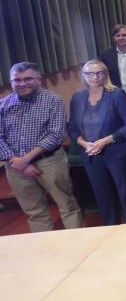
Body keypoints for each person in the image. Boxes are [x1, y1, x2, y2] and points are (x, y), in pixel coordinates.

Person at [0, 62, 83, 232]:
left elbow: (56, 135)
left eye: (28, 79)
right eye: (17, 80)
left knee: (67, 205)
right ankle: (45, 245)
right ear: (11, 81)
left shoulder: (53, 100)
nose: (22, 83)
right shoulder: (3, 105)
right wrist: (17, 161)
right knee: (34, 212)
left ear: (39, 79)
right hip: (15, 166)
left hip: (49, 162)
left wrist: (26, 159)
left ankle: (78, 243)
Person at [68, 60, 126, 225]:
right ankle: (111, 228)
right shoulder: (77, 98)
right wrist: (84, 144)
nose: (95, 77)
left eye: (99, 73)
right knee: (102, 195)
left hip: (117, 152)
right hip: (91, 154)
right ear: (83, 76)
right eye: (90, 73)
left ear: (105, 74)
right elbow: (72, 128)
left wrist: (104, 141)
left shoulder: (116, 94)